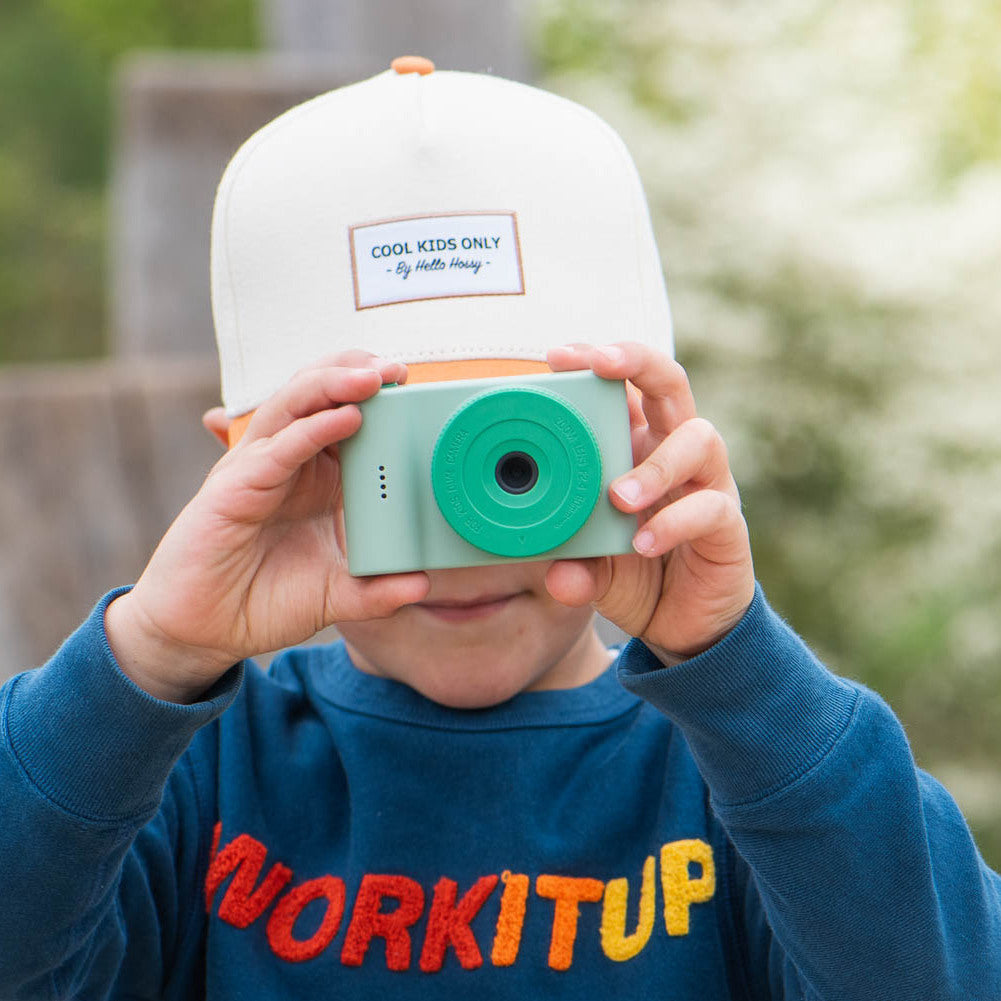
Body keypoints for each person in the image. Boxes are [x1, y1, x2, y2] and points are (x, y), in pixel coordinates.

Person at [1, 59, 998, 1001]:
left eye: (516, 455)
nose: (466, 531)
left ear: (643, 436)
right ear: (247, 466)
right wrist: (151, 652)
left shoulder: (741, 783)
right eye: (376, 453)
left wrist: (735, 664)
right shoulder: (185, 781)